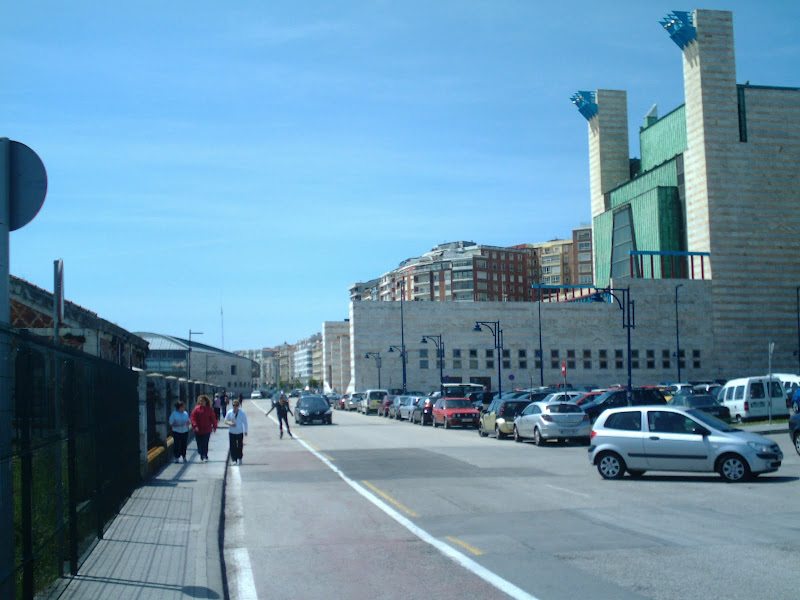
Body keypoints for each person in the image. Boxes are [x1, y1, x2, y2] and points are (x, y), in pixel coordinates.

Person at [190, 395, 217, 461]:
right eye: (200, 401)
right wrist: (195, 425)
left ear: (206, 402)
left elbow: (213, 418)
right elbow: (193, 418)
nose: (201, 402)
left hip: (206, 429)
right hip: (198, 430)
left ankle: (204, 455)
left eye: (202, 401)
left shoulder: (209, 409)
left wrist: (215, 426)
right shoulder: (196, 409)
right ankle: (201, 453)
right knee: (199, 443)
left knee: (205, 442)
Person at [224, 399, 249, 465]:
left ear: (238, 406)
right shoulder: (230, 412)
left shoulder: (242, 413)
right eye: (234, 405)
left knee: (240, 445)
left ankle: (240, 458)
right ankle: (234, 459)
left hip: (240, 431)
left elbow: (245, 422)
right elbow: (225, 421)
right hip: (232, 431)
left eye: (236, 405)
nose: (235, 407)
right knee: (233, 446)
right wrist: (230, 423)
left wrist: (246, 431)